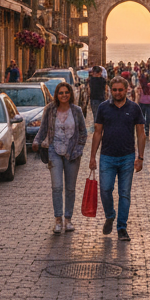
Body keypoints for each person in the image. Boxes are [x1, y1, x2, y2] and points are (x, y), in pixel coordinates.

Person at [89, 76, 146, 241]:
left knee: (124, 193)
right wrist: (92, 157)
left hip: (127, 157)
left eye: (120, 90)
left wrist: (140, 157)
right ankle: (110, 215)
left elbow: (141, 133)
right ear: (110, 90)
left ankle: (122, 227)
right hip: (107, 156)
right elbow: (97, 132)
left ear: (126, 90)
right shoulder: (103, 108)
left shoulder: (134, 108)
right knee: (105, 189)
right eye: (114, 90)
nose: (117, 92)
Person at [36, 82, 88, 234]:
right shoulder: (50, 110)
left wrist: (78, 149)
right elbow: (43, 129)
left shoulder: (77, 111)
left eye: (66, 92)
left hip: (72, 154)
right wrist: (36, 141)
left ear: (70, 94)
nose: (64, 95)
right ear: (56, 95)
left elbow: (83, 133)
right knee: (57, 187)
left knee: (70, 188)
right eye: (61, 93)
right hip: (54, 151)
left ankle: (68, 219)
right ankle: (58, 220)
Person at [136, 72, 150, 136]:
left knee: (142, 117)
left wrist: (137, 103)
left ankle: (142, 129)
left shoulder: (140, 86)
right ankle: (147, 129)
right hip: (149, 102)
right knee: (148, 117)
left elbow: (138, 95)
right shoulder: (149, 85)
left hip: (142, 102)